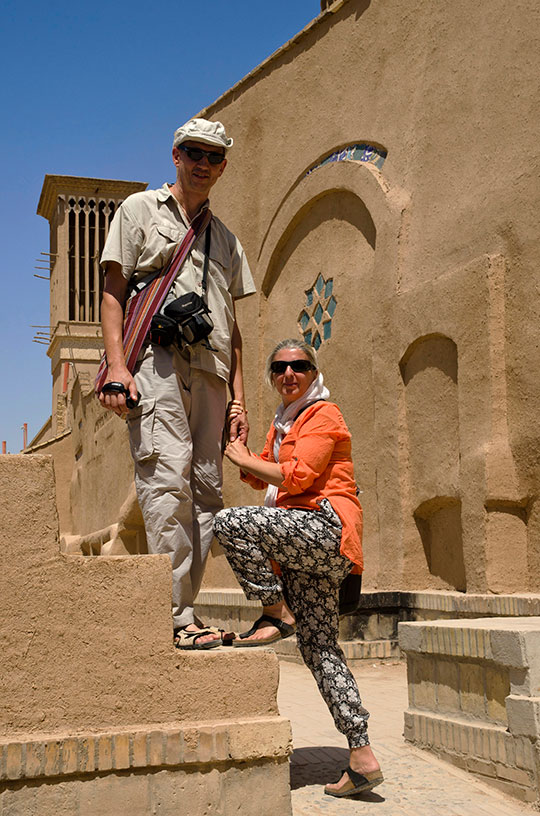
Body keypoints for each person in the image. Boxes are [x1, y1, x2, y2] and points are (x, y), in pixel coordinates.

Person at [98, 118, 255, 649]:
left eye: (213, 156)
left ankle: (185, 611)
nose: (202, 163)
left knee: (207, 493)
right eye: (193, 152)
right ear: (175, 155)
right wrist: (117, 367)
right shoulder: (139, 210)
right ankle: (174, 617)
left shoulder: (226, 239)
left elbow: (234, 328)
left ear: (223, 167)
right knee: (166, 481)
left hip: (211, 373)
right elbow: (113, 291)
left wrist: (239, 401)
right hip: (157, 363)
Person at [213, 338, 383, 797]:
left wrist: (246, 460)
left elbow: (297, 476)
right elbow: (262, 473)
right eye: (279, 368)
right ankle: (362, 755)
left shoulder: (323, 415)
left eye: (299, 366)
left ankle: (275, 611)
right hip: (301, 544)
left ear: (313, 372)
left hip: (325, 529)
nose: (288, 374)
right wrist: (239, 445)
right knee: (320, 648)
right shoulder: (284, 422)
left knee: (230, 522)